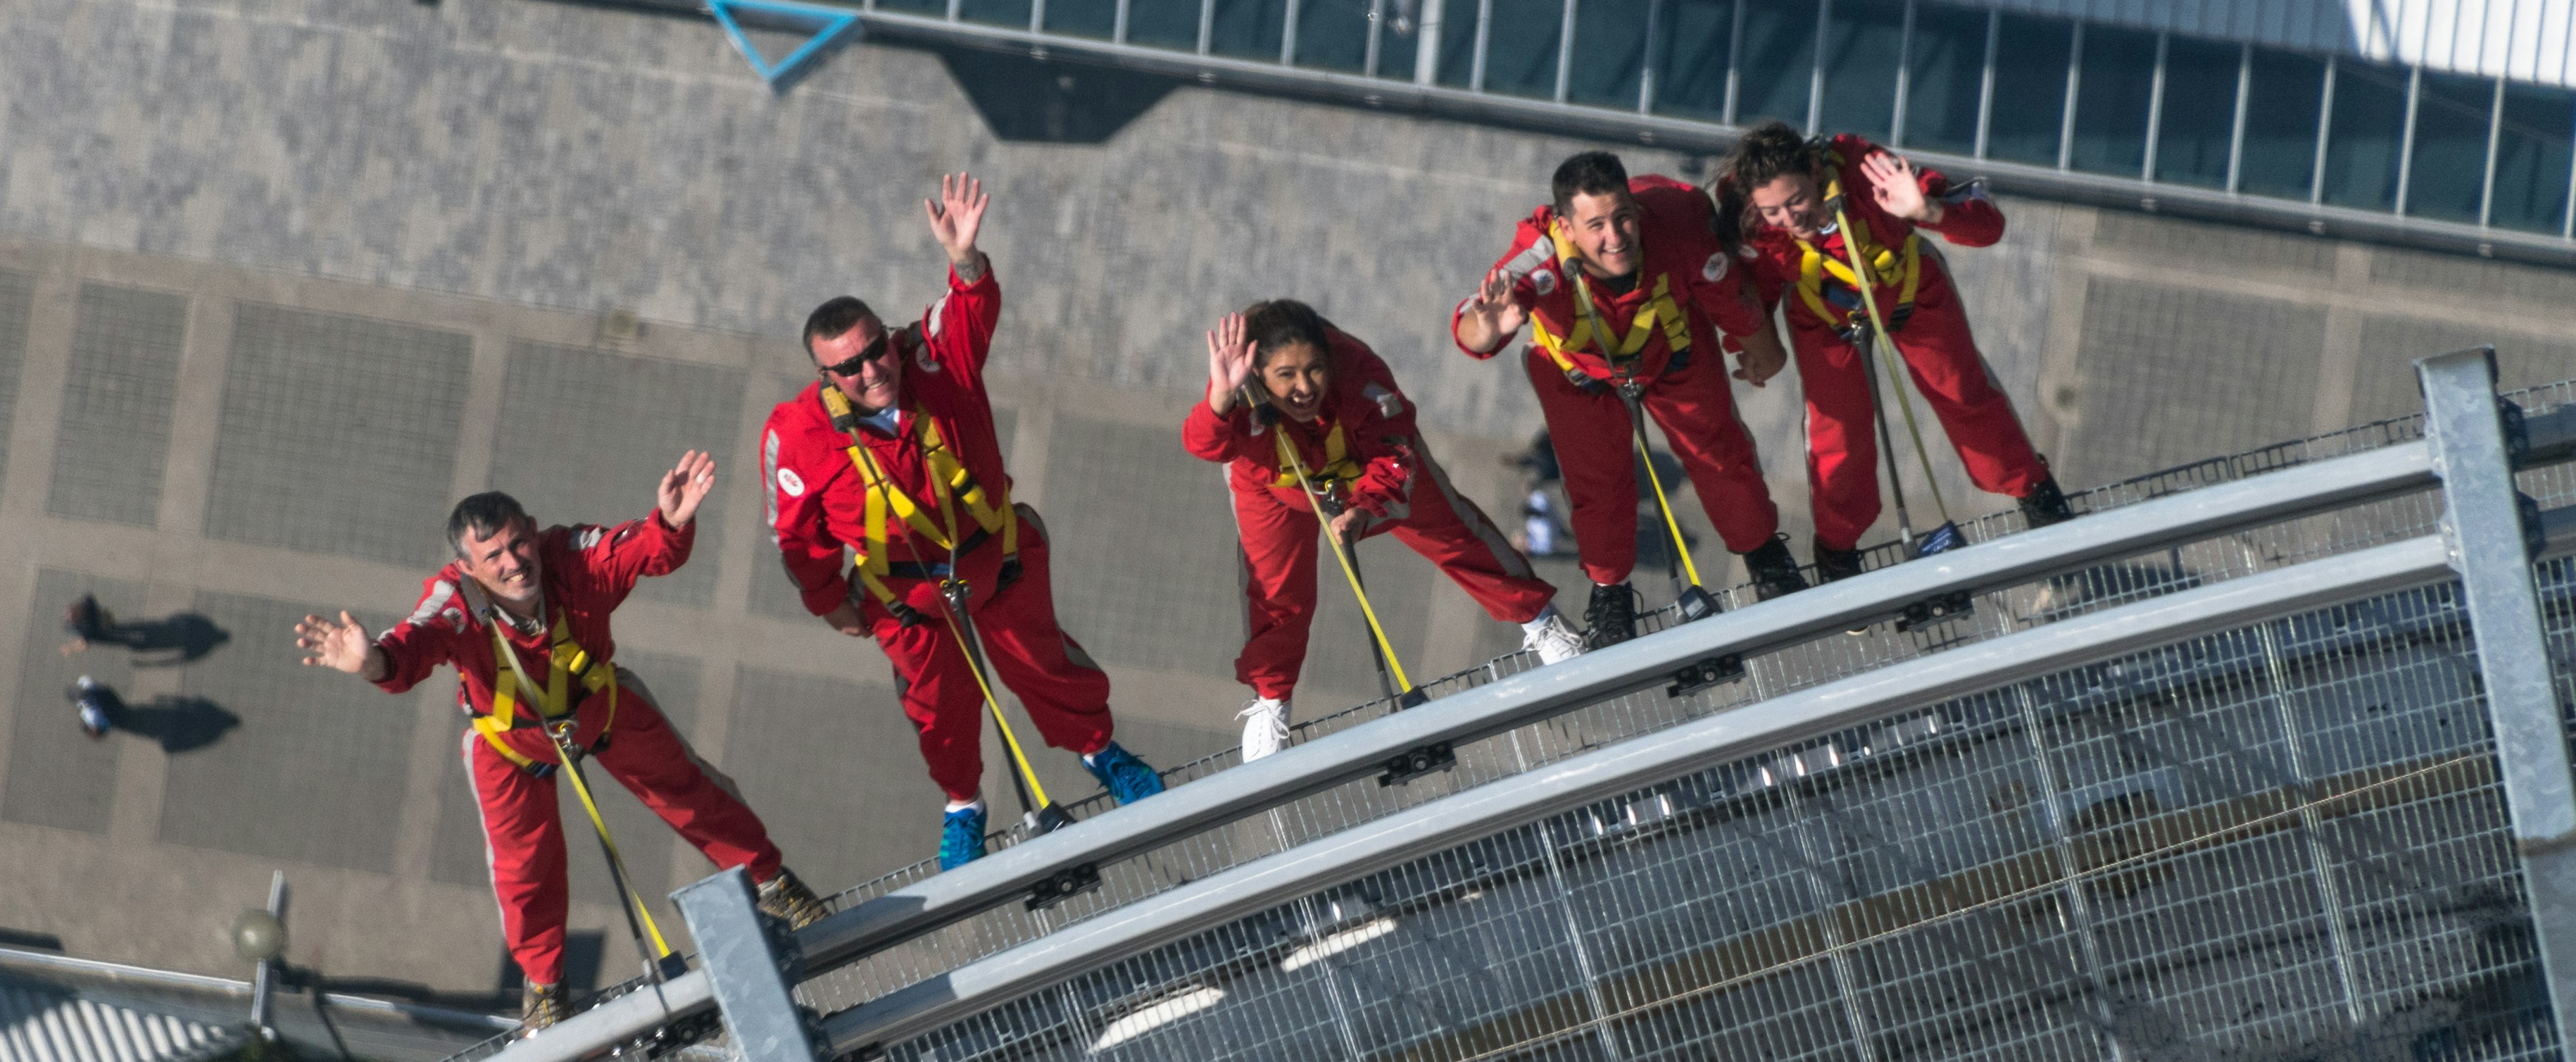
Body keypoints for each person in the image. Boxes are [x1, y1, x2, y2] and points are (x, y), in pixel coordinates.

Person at [295, 456, 827, 1032]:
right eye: (493, 556)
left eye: (518, 543)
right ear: (468, 566)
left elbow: (638, 550)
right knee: (525, 868)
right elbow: (415, 645)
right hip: (511, 745)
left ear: (533, 530)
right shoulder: (454, 604)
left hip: (599, 708)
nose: (514, 562)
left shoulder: (570, 556)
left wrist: (669, 525)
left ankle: (773, 883)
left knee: (690, 792)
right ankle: (546, 986)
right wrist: (373, 660)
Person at [760, 173, 1163, 870]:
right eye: (847, 367)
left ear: (888, 338)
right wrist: (831, 604)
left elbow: (970, 307)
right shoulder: (796, 435)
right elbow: (799, 538)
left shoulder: (932, 359)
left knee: (1043, 666)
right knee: (938, 710)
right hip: (905, 595)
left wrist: (966, 258)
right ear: (827, 377)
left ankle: (1102, 752)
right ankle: (963, 806)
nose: (869, 370)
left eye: (873, 349)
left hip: (993, 558)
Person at [1186, 301, 1585, 761]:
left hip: (1370, 470)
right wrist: (1220, 396)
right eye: (1286, 376)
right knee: (1276, 591)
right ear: (1257, 375)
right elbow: (1203, 445)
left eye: (1315, 370)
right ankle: (1272, 700)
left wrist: (1365, 509)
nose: (1303, 388)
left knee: (1450, 533)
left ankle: (1543, 621)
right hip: (1276, 485)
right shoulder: (1236, 392)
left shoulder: (1359, 373)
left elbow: (1394, 447)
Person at [1453, 149, 1804, 649]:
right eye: (1596, 225)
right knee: (1599, 486)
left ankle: (1764, 555)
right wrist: (1488, 329)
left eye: (1623, 217)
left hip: (1672, 349)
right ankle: (1611, 596)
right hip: (1582, 375)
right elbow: (1472, 322)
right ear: (1566, 227)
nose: (1615, 237)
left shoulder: (1679, 227)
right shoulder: (1538, 259)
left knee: (1719, 453)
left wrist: (1765, 357)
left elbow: (1733, 299)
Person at [1713, 122, 2071, 582]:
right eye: (1774, 211)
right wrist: (1756, 349)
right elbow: (1754, 283)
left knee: (1963, 393)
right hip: (1824, 312)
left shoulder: (1866, 171)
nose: (1790, 219)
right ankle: (1837, 549)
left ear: (1817, 169)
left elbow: (1988, 226)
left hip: (1907, 290)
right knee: (1836, 435)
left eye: (1797, 200)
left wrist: (1928, 209)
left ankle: (2034, 490)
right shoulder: (1748, 215)